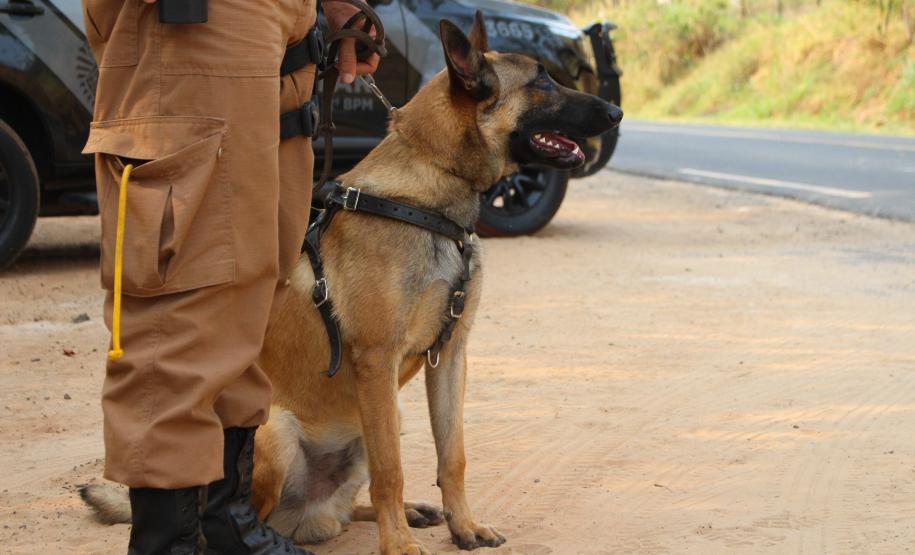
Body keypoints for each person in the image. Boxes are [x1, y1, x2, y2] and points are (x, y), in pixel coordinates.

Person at [81, 0, 379, 552]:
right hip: (195, 23)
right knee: (184, 306)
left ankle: (225, 526)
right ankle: (169, 542)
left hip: (282, 27)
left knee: (253, 291)